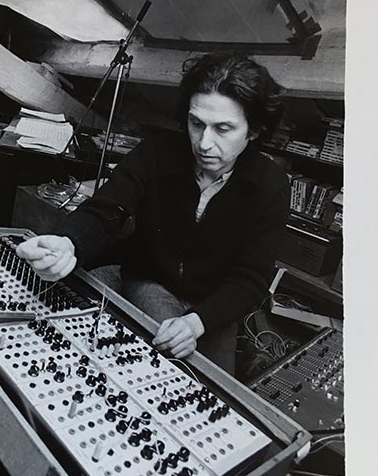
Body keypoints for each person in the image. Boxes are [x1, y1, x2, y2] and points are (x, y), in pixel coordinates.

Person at [16, 53, 290, 375]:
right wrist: (68, 242)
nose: (204, 143)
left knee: (207, 387)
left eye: (223, 129)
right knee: (165, 370)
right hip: (149, 280)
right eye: (196, 124)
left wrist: (197, 322)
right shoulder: (155, 152)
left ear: (254, 130)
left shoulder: (271, 184)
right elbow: (108, 209)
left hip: (216, 303)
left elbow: (251, 278)